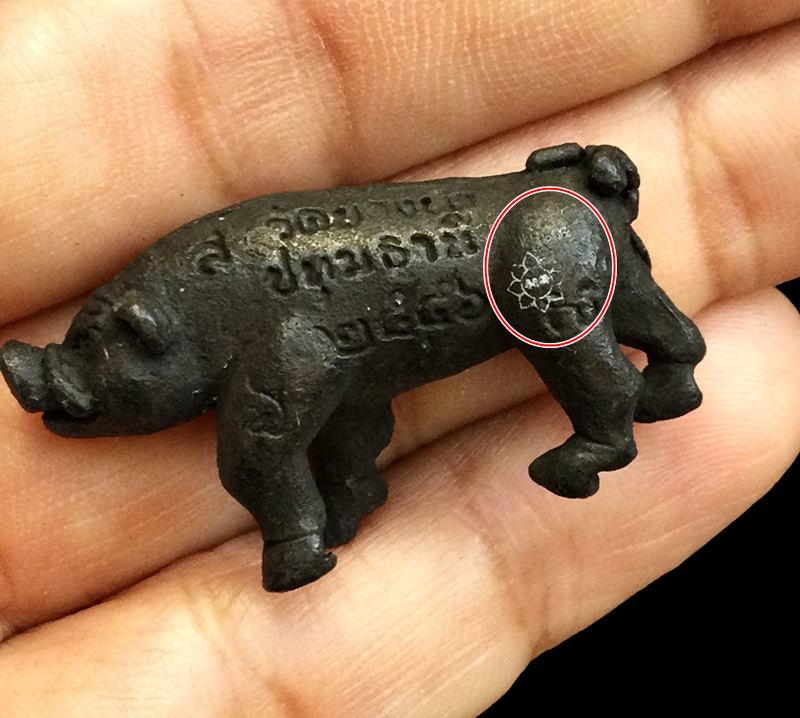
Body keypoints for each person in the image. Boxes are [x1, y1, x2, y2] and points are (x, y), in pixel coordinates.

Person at [0, 1, 798, 714]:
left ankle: (606, 429)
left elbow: (273, 432)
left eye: (95, 357)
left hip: (537, 239)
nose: (81, 379)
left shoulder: (259, 322)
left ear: (151, 334)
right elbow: (347, 381)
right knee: (596, 276)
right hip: (548, 221)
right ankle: (674, 363)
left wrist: (290, 528)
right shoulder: (229, 290)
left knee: (542, 311)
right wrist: (349, 478)